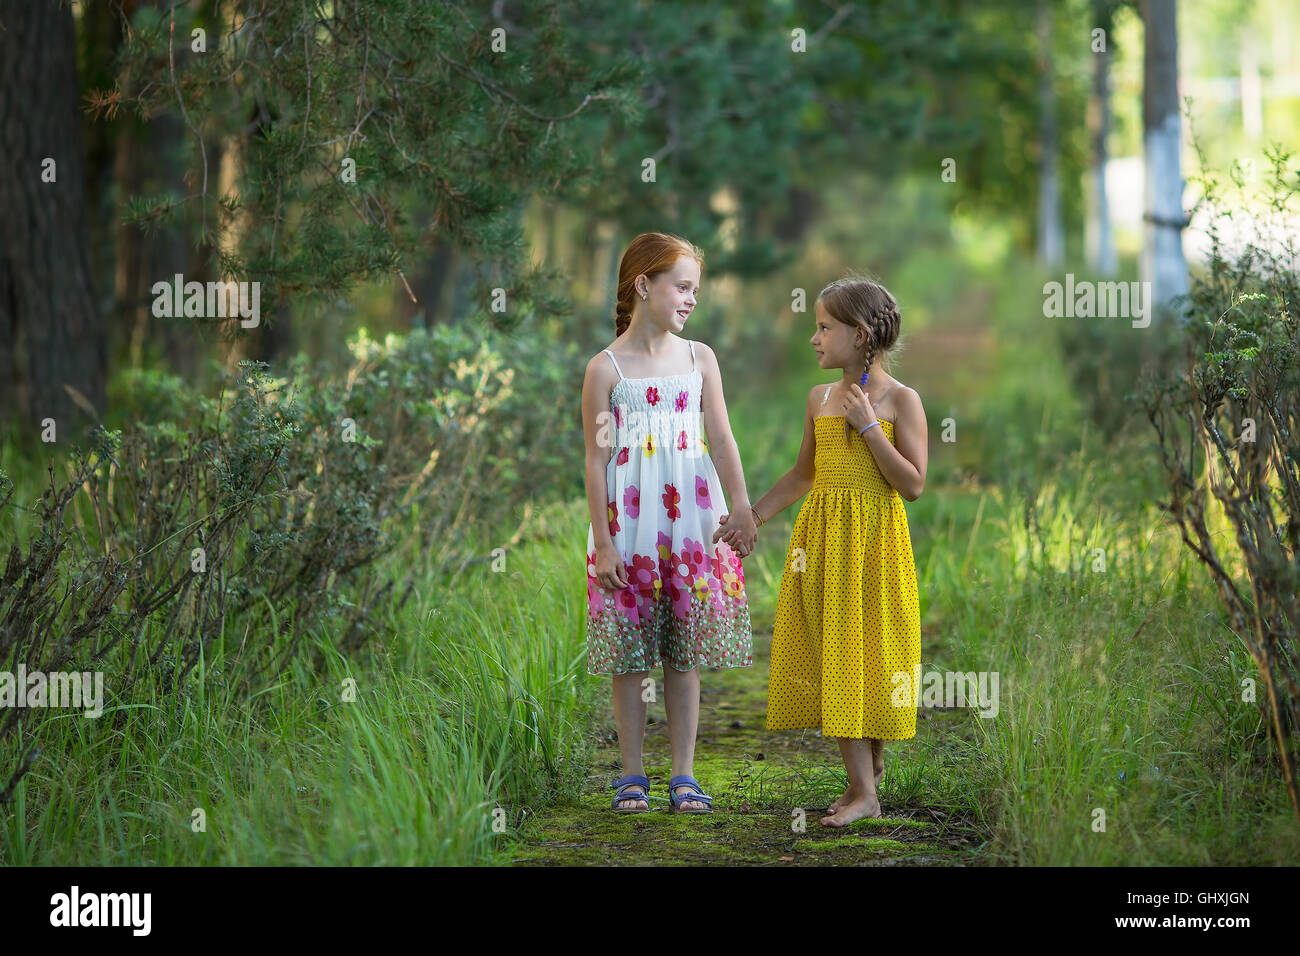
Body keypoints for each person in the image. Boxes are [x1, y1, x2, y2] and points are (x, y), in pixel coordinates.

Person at [716, 275, 927, 827]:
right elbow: (804, 474)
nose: (814, 338)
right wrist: (752, 514)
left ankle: (867, 785)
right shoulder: (818, 399)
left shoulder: (902, 400)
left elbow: (912, 484)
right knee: (837, 655)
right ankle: (863, 788)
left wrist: (871, 430)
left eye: (824, 327)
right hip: (824, 546)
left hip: (876, 548)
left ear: (859, 335)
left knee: (875, 655)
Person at [581, 232, 757, 814]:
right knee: (630, 654)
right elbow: (596, 458)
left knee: (684, 651)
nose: (690, 299)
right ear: (643, 285)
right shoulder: (605, 371)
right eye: (681, 287)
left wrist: (742, 505)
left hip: (690, 523)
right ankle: (632, 775)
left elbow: (723, 437)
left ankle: (684, 776)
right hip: (627, 527)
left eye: (695, 290)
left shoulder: (698, 358)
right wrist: (604, 544)